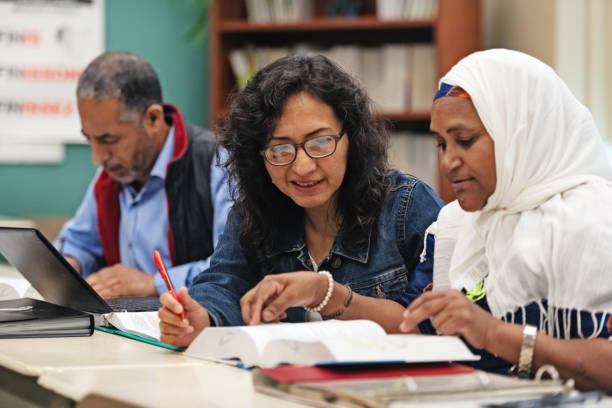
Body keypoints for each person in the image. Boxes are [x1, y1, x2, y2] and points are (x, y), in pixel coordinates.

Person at [158, 54, 444, 347]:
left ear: (352, 139)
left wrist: (324, 293)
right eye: (280, 150)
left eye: (320, 142)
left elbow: (434, 326)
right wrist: (201, 318)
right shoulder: (254, 212)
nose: (303, 167)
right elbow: (224, 282)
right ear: (258, 158)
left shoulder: (407, 206)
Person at [398, 49, 612, 391]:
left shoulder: (590, 220)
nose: (448, 162)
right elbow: (413, 323)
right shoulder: (458, 221)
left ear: (520, 133)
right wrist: (326, 292)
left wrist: (494, 333)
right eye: (440, 144)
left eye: (464, 141)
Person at [55, 51, 232, 298]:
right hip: (123, 327)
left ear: (153, 119)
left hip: (194, 328)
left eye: (109, 139)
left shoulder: (218, 165)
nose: (98, 157)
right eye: (90, 139)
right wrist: (69, 265)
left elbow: (233, 271)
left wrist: (153, 283)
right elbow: (79, 243)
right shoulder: (111, 173)